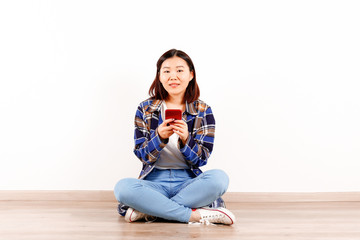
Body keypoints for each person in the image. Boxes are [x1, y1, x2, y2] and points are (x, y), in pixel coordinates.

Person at [114, 49, 236, 225]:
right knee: (122, 188)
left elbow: (201, 160)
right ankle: (195, 215)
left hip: (189, 182)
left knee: (220, 179)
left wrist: (187, 139)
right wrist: (159, 138)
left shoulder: (203, 110)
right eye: (166, 71)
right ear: (159, 76)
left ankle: (150, 210)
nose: (173, 76)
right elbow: (142, 155)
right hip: (154, 181)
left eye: (179, 70)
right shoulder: (145, 109)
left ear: (191, 75)